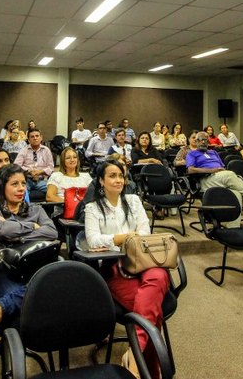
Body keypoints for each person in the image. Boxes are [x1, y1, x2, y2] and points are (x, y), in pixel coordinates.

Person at [83, 159, 169, 378]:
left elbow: (145, 232)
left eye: (121, 176)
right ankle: (147, 369)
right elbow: (93, 240)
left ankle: (134, 355)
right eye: (112, 176)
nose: (118, 180)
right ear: (101, 181)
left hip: (143, 261)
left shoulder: (133, 201)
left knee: (160, 274)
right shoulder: (92, 208)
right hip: (114, 268)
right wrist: (126, 237)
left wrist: (116, 239)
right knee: (152, 312)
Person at [0, 164, 58, 343]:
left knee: (53, 286)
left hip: (30, 268)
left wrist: (15, 234)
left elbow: (52, 232)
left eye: (23, 183)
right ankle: (10, 341)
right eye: (14, 184)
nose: (21, 189)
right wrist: (32, 226)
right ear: (1, 186)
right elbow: (2, 230)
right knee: (30, 302)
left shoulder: (36, 209)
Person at [186, 132, 243, 207]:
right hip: (206, 179)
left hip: (219, 177)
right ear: (196, 141)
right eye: (200, 140)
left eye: (205, 140)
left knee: (236, 191)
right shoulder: (191, 154)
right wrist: (212, 170)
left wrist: (221, 170)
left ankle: (236, 212)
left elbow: (222, 166)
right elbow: (190, 170)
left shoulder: (213, 152)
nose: (203, 142)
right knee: (230, 175)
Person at [13, 128, 54, 196]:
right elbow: (16, 166)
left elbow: (51, 168)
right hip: (26, 179)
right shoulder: (24, 150)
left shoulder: (46, 150)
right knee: (21, 193)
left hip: (41, 180)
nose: (35, 138)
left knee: (52, 191)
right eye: (32, 137)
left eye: (37, 136)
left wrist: (40, 171)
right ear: (28, 140)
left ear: (41, 138)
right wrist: (28, 171)